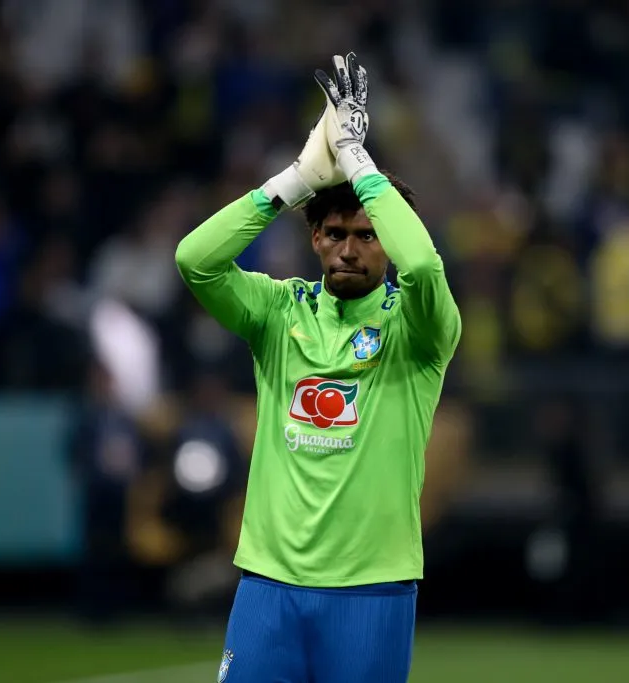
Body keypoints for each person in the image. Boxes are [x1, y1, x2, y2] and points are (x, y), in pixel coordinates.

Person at [175, 53, 462, 683]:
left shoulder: (418, 329)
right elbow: (195, 260)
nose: (350, 246)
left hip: (371, 590)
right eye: (336, 232)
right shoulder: (279, 312)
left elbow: (423, 268)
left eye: (367, 233)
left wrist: (359, 163)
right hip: (269, 585)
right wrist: (299, 178)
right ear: (315, 240)